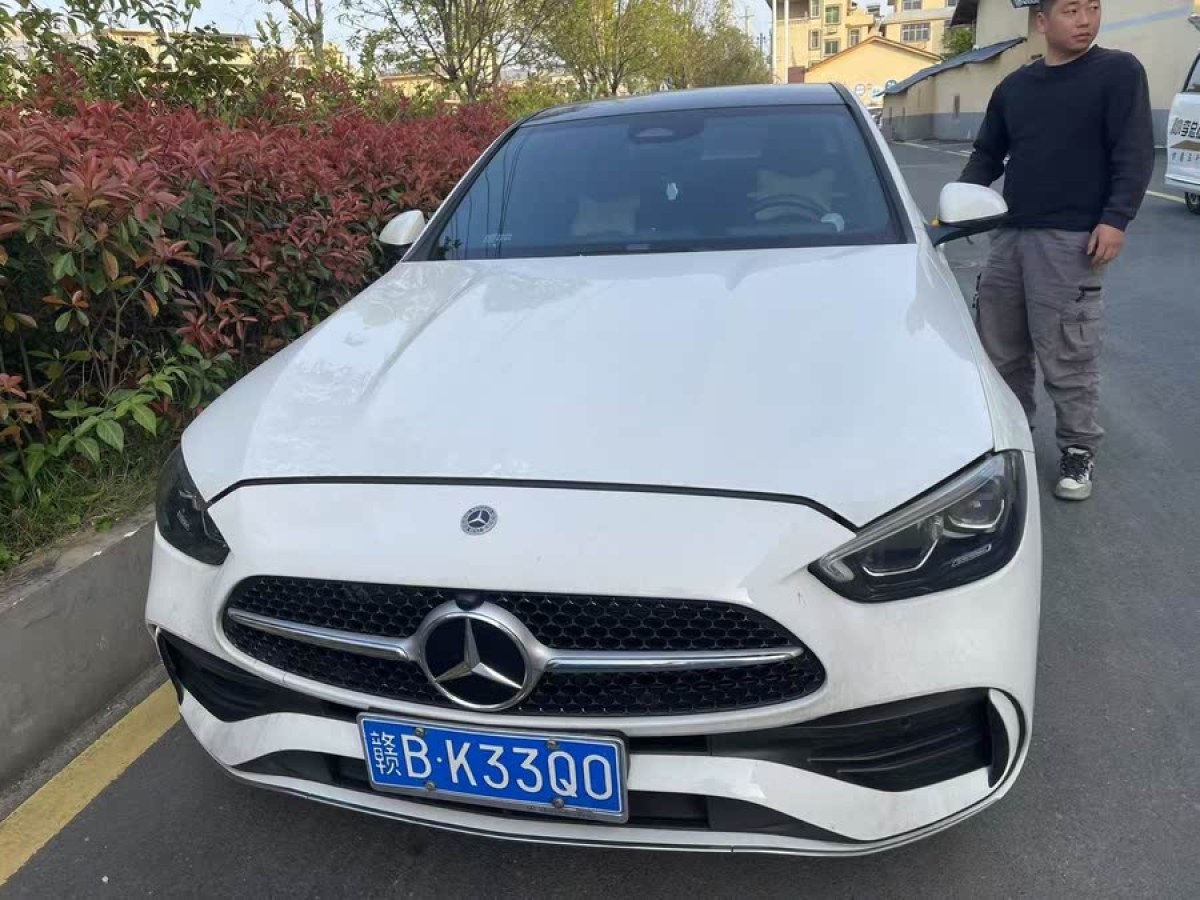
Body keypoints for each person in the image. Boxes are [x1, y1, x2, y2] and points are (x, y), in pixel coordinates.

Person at [958, 0, 1154, 501]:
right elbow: (987, 154)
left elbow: (1133, 151)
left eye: (1093, 8)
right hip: (1009, 235)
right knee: (1001, 351)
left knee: (1068, 353)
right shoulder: (1015, 87)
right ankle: (1013, 441)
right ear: (1042, 22)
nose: (1085, 19)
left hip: (1072, 240)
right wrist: (955, 206)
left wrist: (1116, 218)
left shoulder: (1118, 73)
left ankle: (1078, 449)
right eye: (1071, 10)